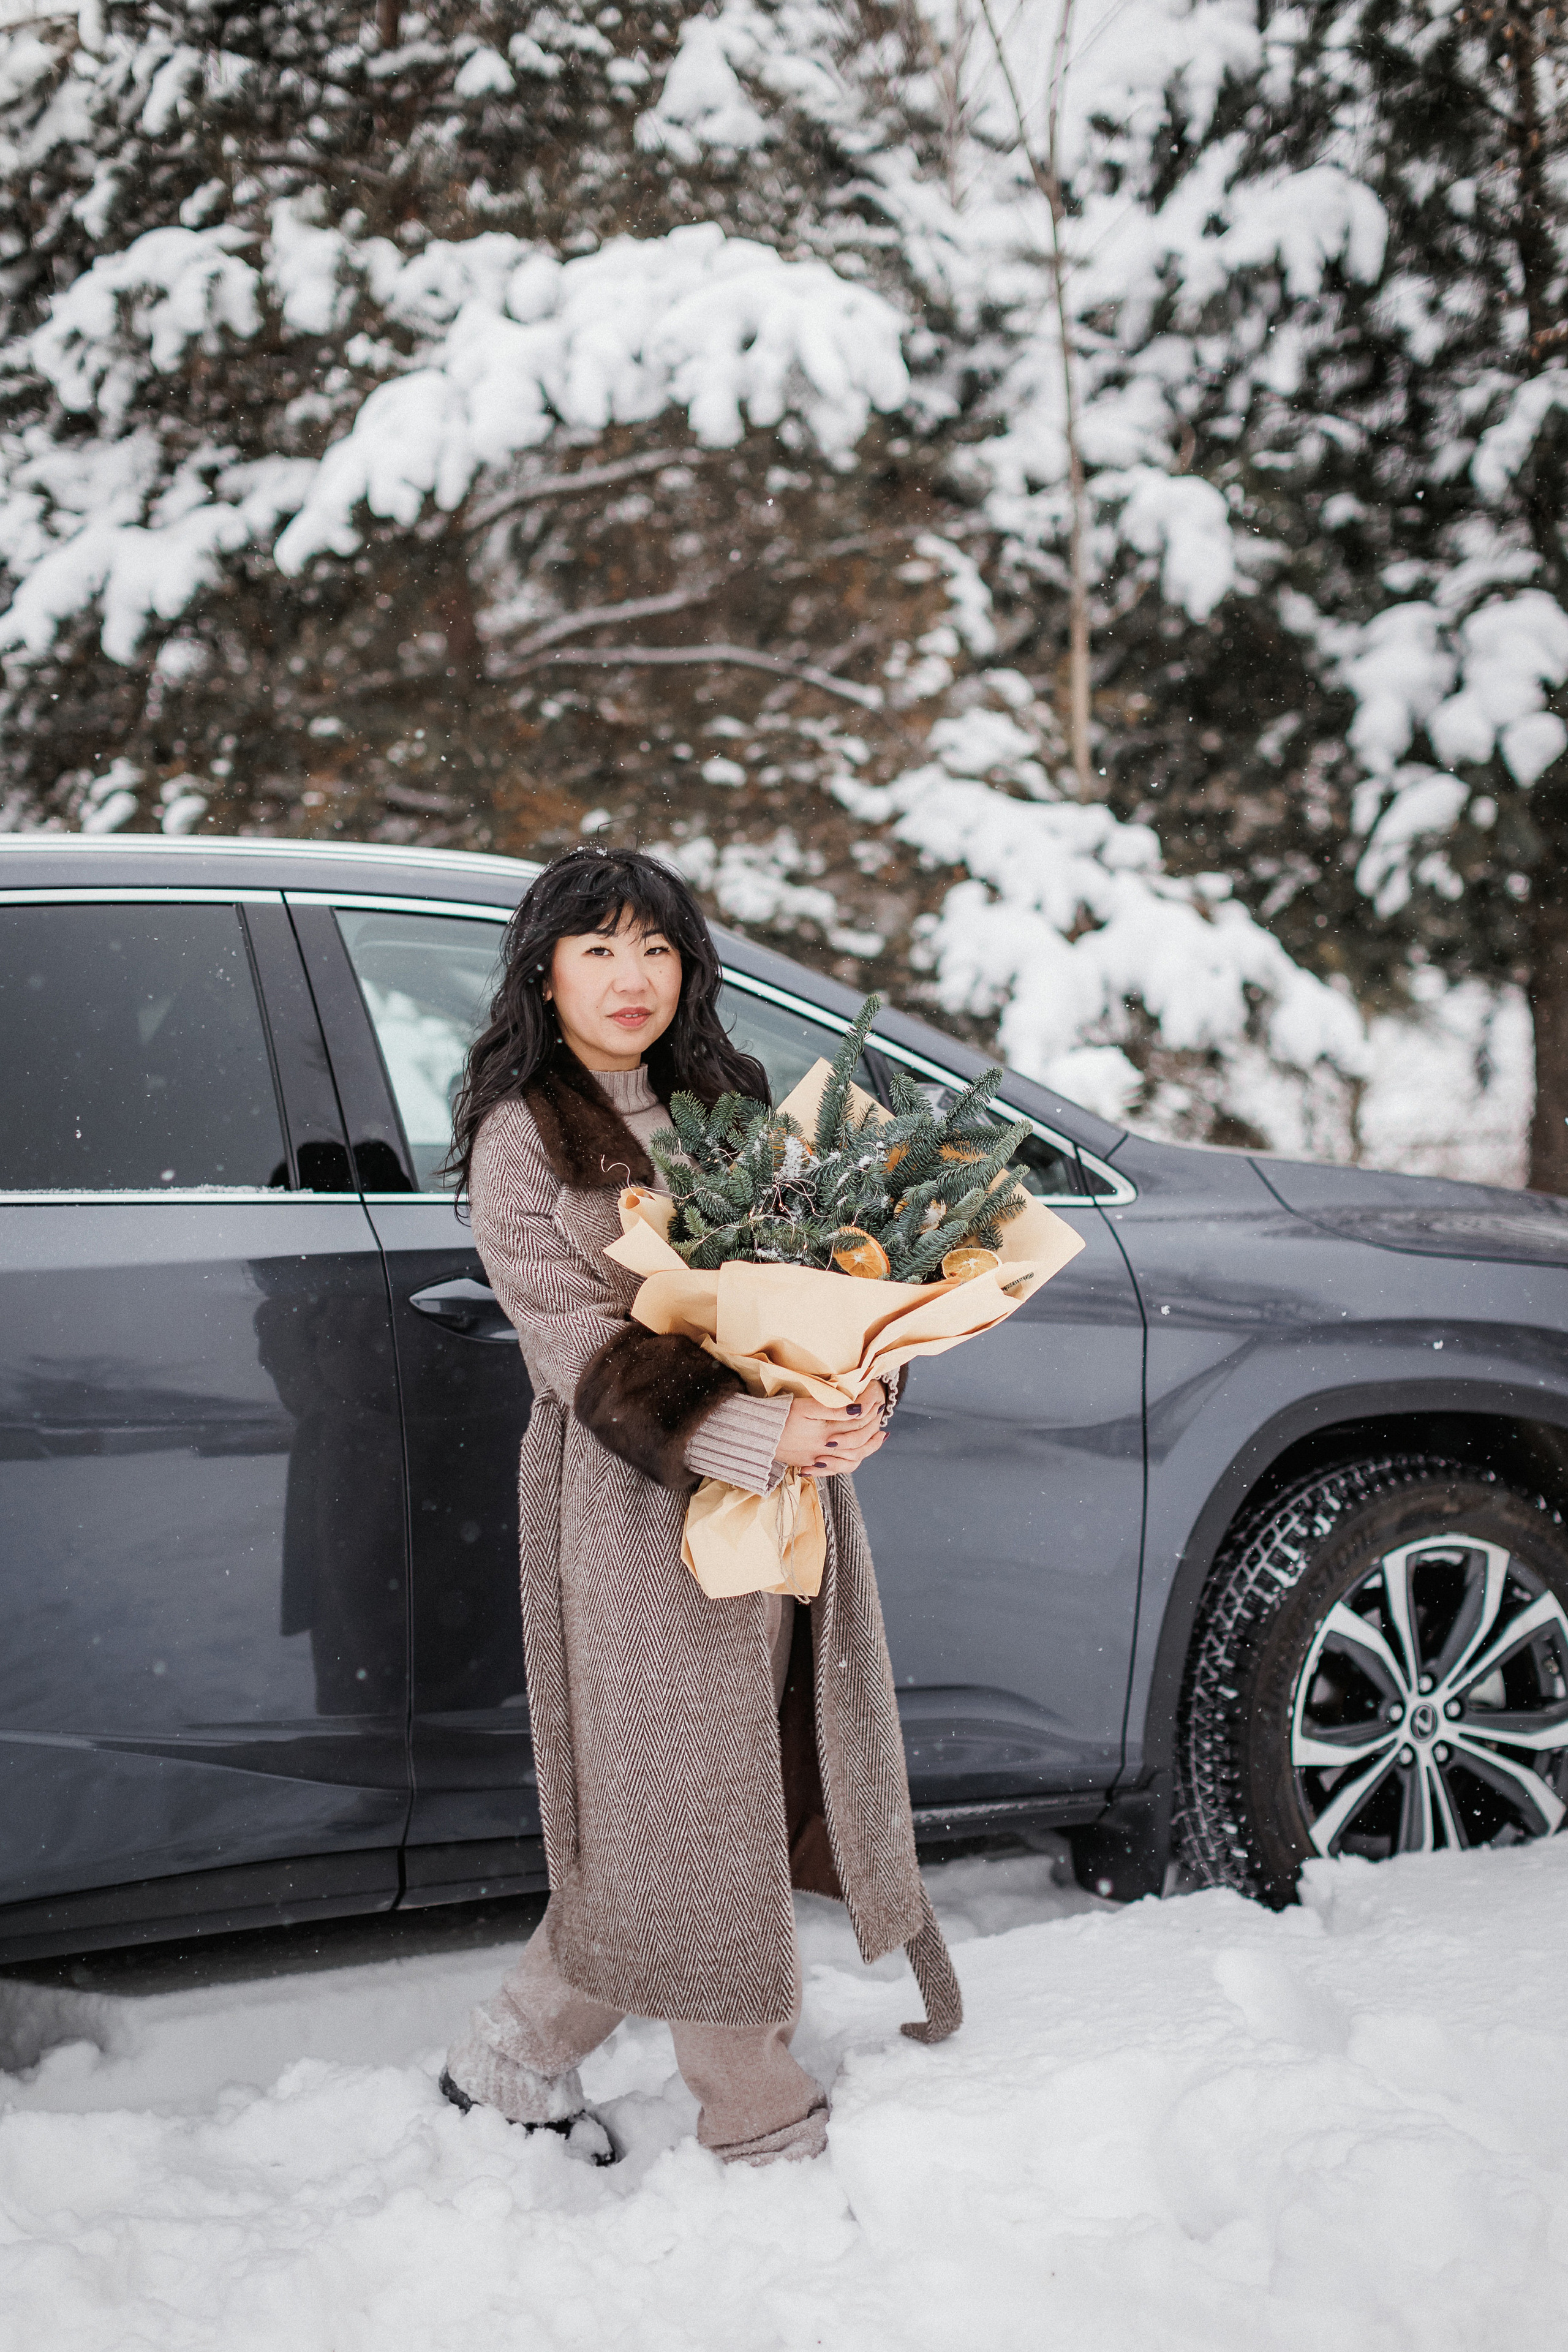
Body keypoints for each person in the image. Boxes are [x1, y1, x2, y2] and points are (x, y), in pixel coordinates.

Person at [439, 845, 960, 2168]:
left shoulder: (729, 1105)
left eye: (656, 949)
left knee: (701, 1795)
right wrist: (749, 1426)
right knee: (686, 1806)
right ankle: (757, 2121)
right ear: (542, 972)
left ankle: (511, 2055)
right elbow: (577, 1345)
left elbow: (832, 1274)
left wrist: (851, 1397)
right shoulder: (522, 1140)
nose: (631, 978)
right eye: (598, 948)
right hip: (634, 1512)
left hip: (780, 1508)